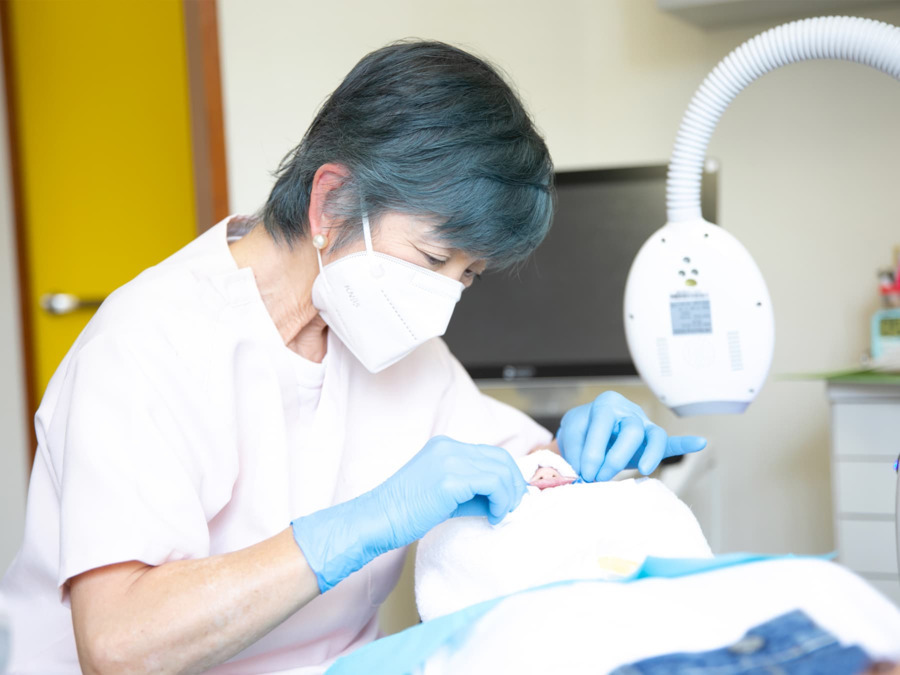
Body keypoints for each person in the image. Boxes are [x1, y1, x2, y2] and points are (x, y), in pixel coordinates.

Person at [0, 40, 706, 674]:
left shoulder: (391, 342)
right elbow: (120, 644)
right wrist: (365, 523)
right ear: (333, 201)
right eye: (433, 257)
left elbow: (520, 465)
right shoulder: (148, 343)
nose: (445, 297)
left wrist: (579, 451)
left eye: (468, 275)